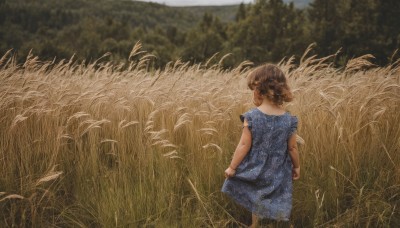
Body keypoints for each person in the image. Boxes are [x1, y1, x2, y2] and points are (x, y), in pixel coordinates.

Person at [221, 64, 300, 227]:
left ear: (259, 90)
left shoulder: (251, 116)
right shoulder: (289, 119)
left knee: (257, 198)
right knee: (279, 200)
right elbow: (292, 147)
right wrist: (297, 166)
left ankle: (256, 225)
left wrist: (232, 167)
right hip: (280, 170)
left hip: (256, 168)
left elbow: (243, 144)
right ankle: (280, 223)